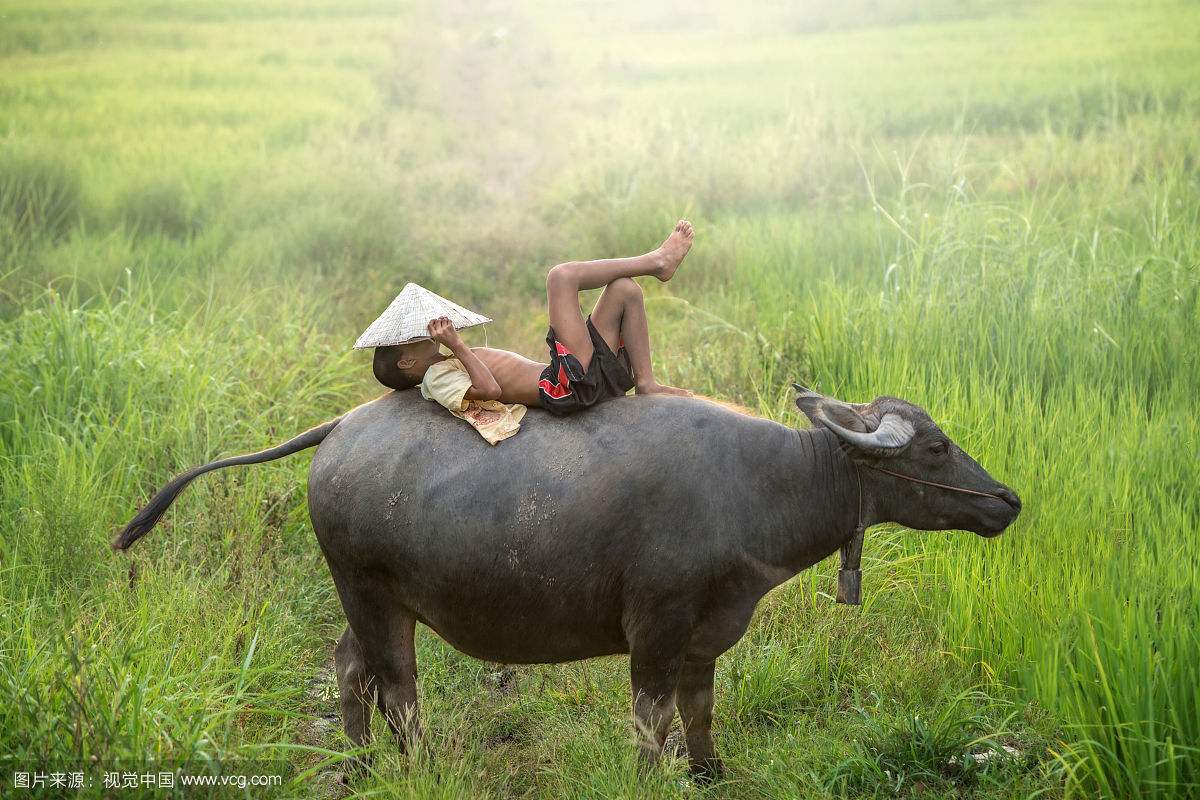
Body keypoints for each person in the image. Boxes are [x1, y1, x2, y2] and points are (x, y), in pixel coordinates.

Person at [373, 220, 695, 424]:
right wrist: (456, 344)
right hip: (562, 385)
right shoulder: (434, 379)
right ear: (407, 361)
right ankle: (656, 262)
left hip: (577, 376)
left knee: (625, 289)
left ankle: (646, 382)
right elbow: (490, 389)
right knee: (561, 277)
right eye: (409, 337)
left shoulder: (443, 365)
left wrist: (456, 349)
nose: (420, 332)